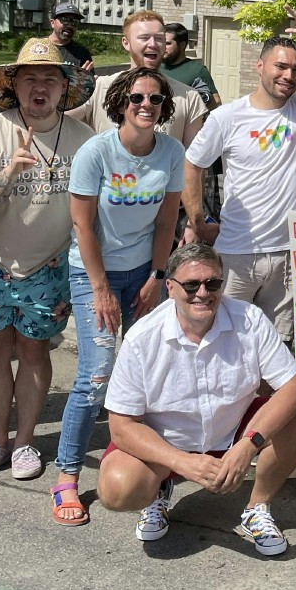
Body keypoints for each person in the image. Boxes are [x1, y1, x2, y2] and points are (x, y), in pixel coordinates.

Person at [97, 244, 296, 556]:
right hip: (167, 442)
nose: (203, 292)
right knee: (117, 490)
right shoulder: (142, 338)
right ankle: (158, 489)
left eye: (213, 283)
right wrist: (182, 462)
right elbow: (121, 427)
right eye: (191, 284)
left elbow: (295, 388)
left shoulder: (249, 319)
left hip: (233, 430)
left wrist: (246, 446)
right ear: (170, 288)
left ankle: (257, 506)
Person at [49, 67, 184, 527]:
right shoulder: (97, 152)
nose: (147, 106)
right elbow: (83, 226)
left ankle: (150, 466)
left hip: (145, 275)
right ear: (120, 104)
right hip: (95, 275)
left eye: (156, 100)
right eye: (137, 99)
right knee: (97, 375)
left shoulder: (171, 150)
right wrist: (102, 288)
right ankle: (66, 474)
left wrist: (158, 275)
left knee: (151, 372)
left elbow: (168, 221)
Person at [0, 38, 95, 482]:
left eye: (50, 80)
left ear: (64, 88)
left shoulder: (83, 140)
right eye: (30, 78)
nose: (40, 87)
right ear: (13, 86)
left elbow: (90, 216)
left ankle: (24, 444)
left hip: (49, 267)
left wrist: (83, 281)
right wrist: (10, 171)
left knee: (35, 351)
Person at [184, 10, 296, 341]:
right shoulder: (227, 117)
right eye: (280, 66)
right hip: (236, 252)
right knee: (225, 339)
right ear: (259, 66)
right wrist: (197, 219)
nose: (288, 75)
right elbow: (193, 164)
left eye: (294, 69)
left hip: (292, 253)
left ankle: (266, 397)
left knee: (276, 348)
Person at [76, 11, 205, 146]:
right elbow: (58, 122)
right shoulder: (99, 88)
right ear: (126, 43)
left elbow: (192, 161)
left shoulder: (189, 97)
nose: (153, 44)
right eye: (144, 38)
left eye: (159, 39)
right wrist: (73, 92)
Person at [161, 22, 221, 109]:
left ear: (182, 45)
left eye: (168, 43)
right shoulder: (154, 66)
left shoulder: (197, 70)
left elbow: (216, 102)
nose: (163, 47)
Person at [49, 3, 92, 70]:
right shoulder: (38, 47)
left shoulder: (81, 52)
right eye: (65, 20)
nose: (69, 26)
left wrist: (83, 77)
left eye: (74, 22)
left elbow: (88, 78)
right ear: (53, 23)